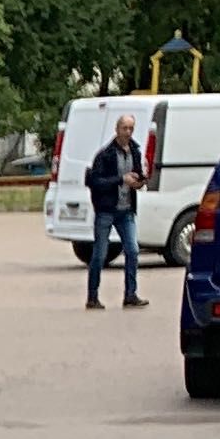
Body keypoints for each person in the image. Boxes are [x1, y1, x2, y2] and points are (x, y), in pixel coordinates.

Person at [84, 113, 146, 308]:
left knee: (133, 250)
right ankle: (92, 297)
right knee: (100, 254)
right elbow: (94, 181)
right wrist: (120, 180)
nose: (128, 132)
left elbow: (137, 173)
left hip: (126, 209)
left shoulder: (135, 151)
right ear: (117, 129)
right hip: (106, 210)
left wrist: (139, 181)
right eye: (124, 128)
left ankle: (130, 294)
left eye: (131, 129)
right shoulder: (106, 154)